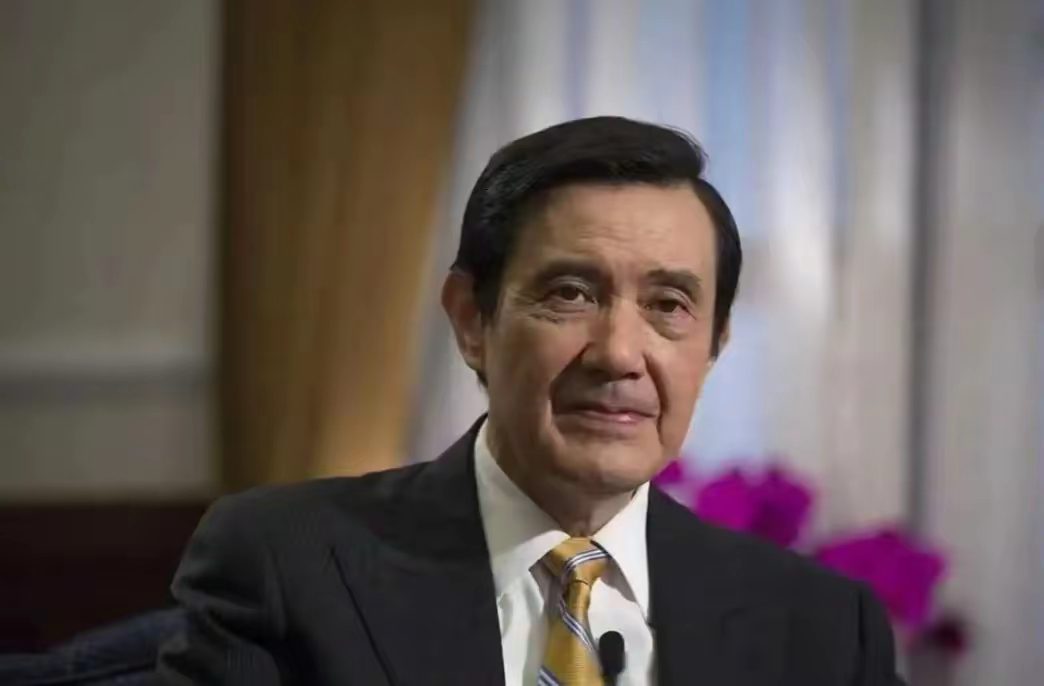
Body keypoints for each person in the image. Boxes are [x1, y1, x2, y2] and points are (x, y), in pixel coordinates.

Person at [159, 117, 904, 685]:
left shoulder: (821, 630)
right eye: (571, 293)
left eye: (669, 305)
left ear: (714, 345)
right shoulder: (287, 567)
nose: (619, 353)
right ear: (471, 320)